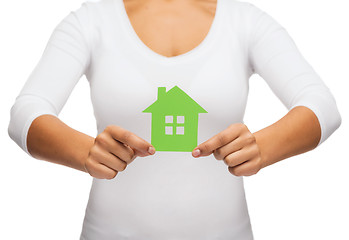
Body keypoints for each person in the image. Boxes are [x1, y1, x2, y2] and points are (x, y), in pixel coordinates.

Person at [8, 0, 341, 239]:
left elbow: (322, 105)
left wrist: (262, 146)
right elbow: (27, 112)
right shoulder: (91, 20)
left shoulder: (246, 21)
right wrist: (85, 151)